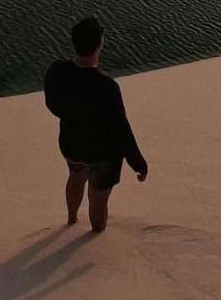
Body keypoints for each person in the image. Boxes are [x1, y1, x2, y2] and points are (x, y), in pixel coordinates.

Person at [44, 17, 148, 231]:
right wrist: (138, 162)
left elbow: (52, 104)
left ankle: (71, 219)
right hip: (101, 155)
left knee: (75, 176)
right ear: (100, 43)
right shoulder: (107, 87)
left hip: (71, 145)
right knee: (98, 198)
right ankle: (96, 237)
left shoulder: (56, 71)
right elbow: (122, 130)